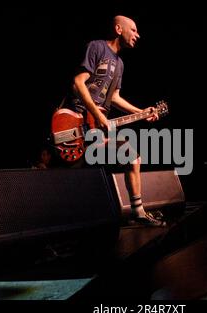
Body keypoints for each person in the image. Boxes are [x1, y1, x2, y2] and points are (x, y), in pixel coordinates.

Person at [65, 15, 165, 227]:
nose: (138, 35)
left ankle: (137, 211)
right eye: (134, 30)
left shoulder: (120, 64)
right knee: (68, 176)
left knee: (131, 156)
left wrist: (143, 111)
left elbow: (115, 99)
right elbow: (78, 82)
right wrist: (99, 114)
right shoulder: (97, 47)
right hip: (75, 121)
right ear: (119, 29)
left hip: (96, 128)